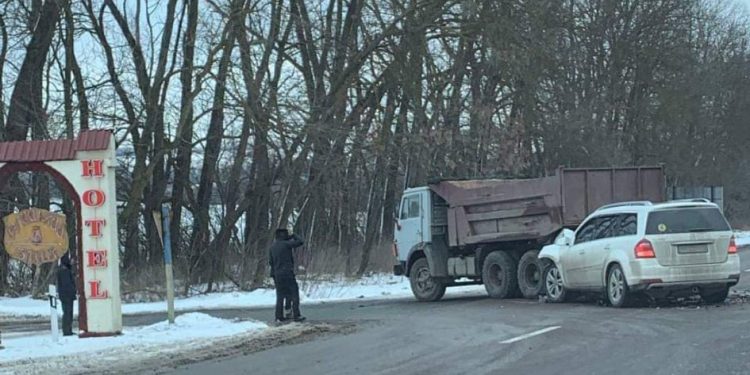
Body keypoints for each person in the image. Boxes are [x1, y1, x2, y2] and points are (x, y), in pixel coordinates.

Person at [269, 228, 305, 323]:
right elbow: (300, 242)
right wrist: (293, 235)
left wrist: (273, 275)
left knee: (280, 296)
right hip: (287, 273)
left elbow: (271, 262)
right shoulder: (286, 244)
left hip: (277, 274)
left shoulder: (272, 247)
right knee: (294, 293)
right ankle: (296, 315)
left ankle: (279, 316)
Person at [57, 254, 77, 336]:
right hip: (67, 296)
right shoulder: (64, 271)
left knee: (67, 312)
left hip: (65, 295)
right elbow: (67, 284)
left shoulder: (64, 269)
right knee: (67, 313)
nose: (72, 261)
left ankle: (68, 329)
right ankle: (67, 330)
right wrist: (73, 291)